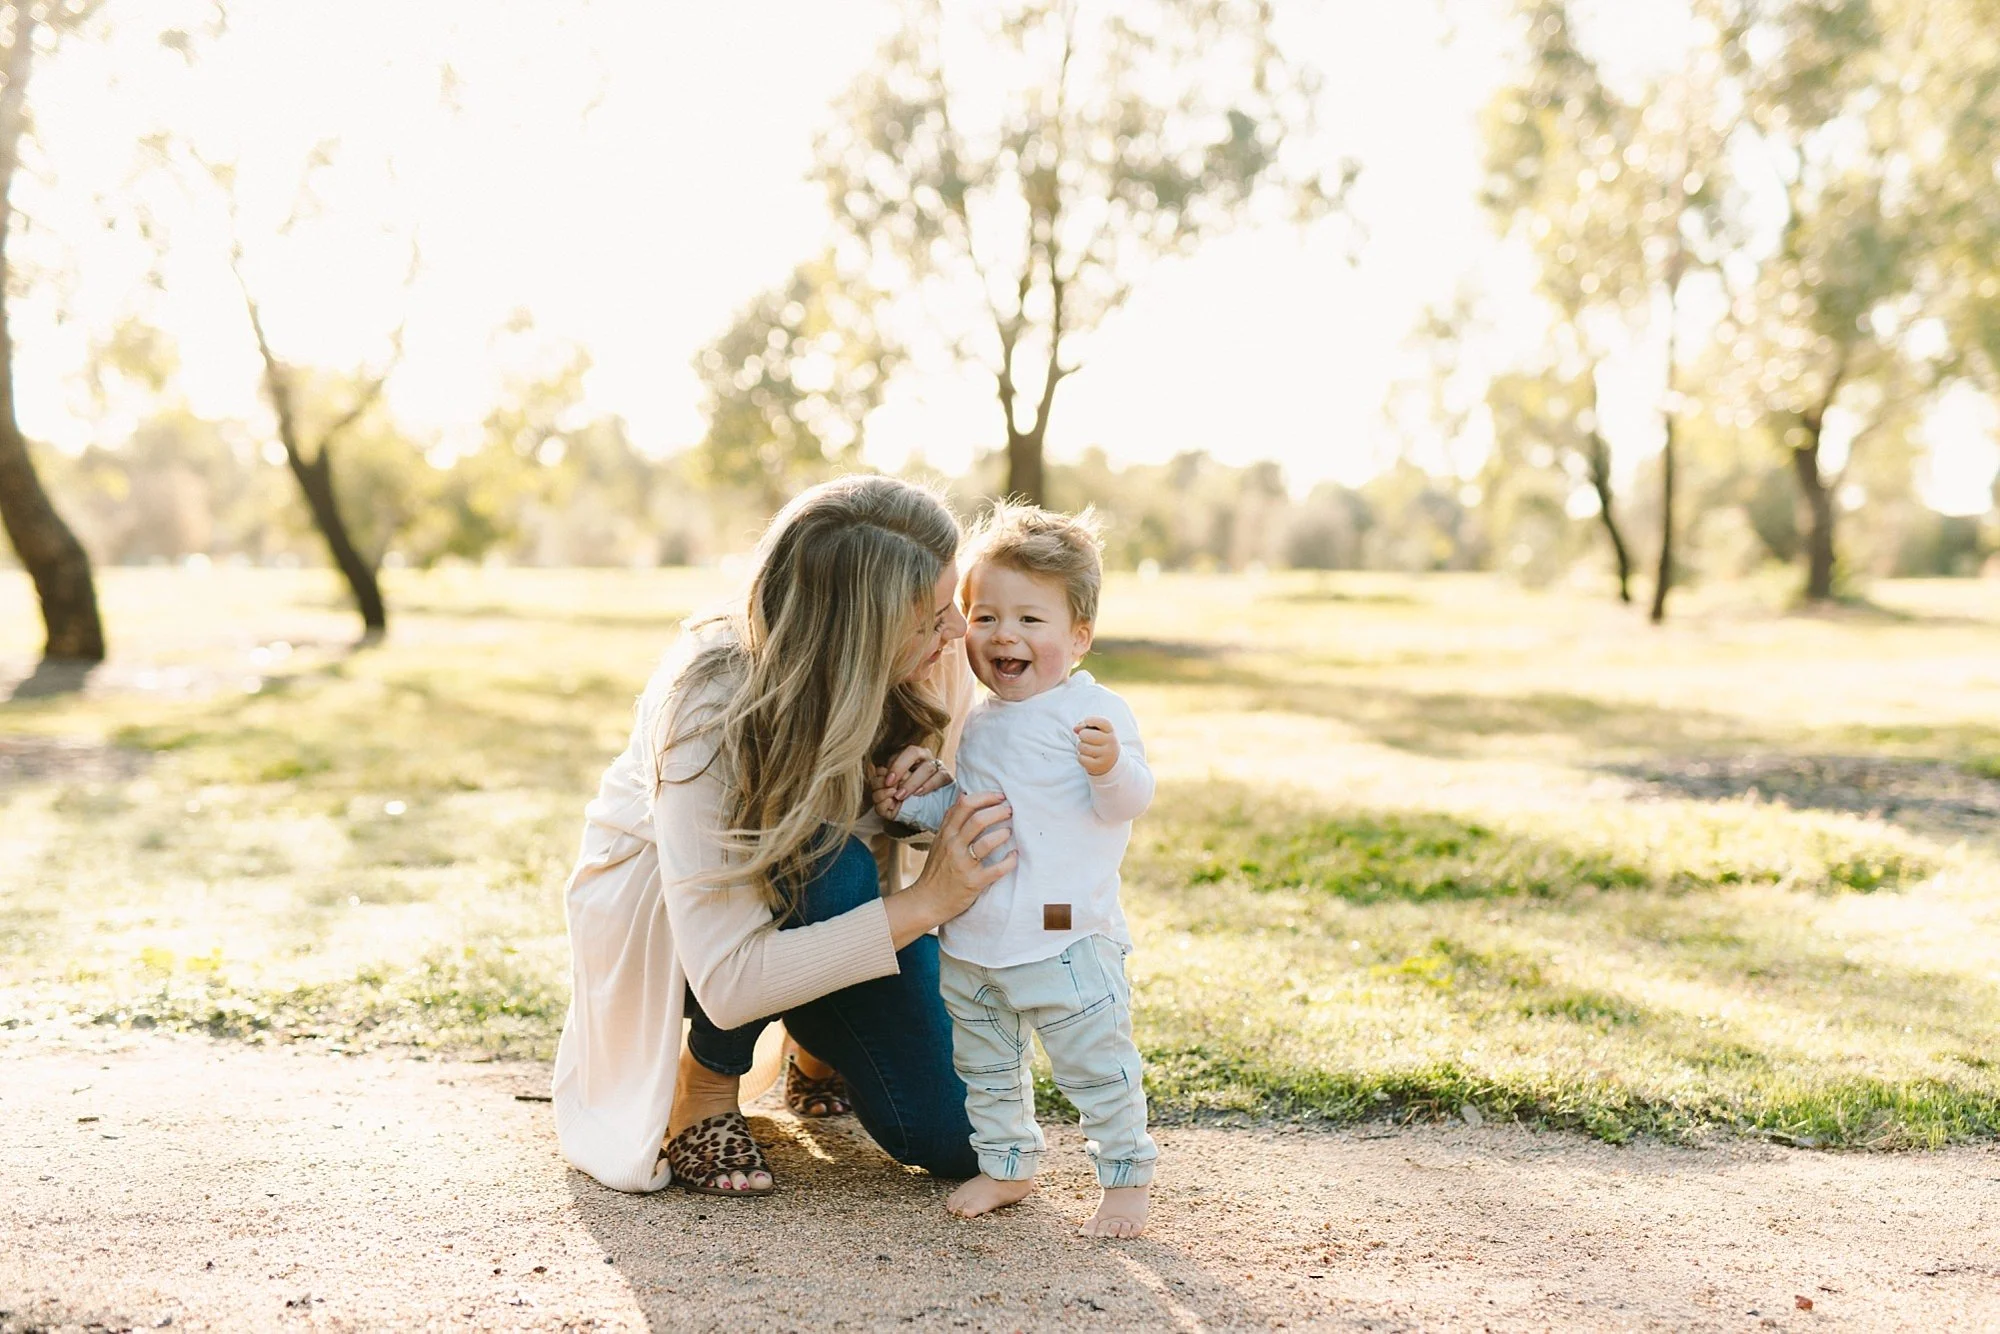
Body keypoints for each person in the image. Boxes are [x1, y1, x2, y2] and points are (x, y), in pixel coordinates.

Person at [551, 476, 1016, 1196]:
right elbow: (730, 979)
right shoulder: (710, 703)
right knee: (813, 848)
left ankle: (818, 1041)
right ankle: (703, 1082)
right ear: (857, 635)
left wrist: (916, 808)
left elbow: (934, 843)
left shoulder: (937, 656)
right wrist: (928, 904)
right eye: (932, 617)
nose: (959, 632)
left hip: (847, 898)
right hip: (682, 920)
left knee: (966, 1138)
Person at [871, 503, 1158, 1238]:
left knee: (1096, 1067)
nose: (1005, 636)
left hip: (1065, 936)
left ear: (1079, 636)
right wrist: (921, 806)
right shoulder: (982, 722)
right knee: (987, 1070)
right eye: (986, 616)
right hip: (975, 943)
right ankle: (1007, 1165)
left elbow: (1129, 802)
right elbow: (975, 820)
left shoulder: (1093, 712)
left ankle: (1125, 1177)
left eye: (1031, 621)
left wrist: (1111, 767)